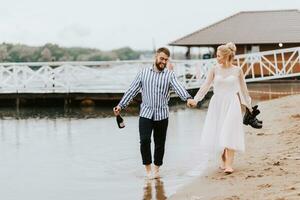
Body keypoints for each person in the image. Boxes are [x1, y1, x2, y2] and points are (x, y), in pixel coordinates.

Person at [113, 47, 194, 179]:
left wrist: (188, 98)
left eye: (166, 60)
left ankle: (156, 170)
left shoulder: (169, 74)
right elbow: (132, 90)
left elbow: (178, 87)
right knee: (144, 141)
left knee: (159, 144)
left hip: (162, 114)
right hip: (145, 113)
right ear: (156, 57)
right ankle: (148, 170)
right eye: (161, 58)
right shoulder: (143, 73)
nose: (163, 62)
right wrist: (120, 105)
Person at [188, 42, 253, 174]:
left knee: (230, 131)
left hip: (232, 103)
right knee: (219, 131)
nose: (216, 58)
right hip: (217, 103)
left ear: (226, 56)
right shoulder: (214, 69)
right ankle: (223, 159)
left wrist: (249, 106)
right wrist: (196, 99)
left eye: (218, 56)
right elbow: (205, 86)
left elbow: (244, 91)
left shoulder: (237, 70)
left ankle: (229, 164)